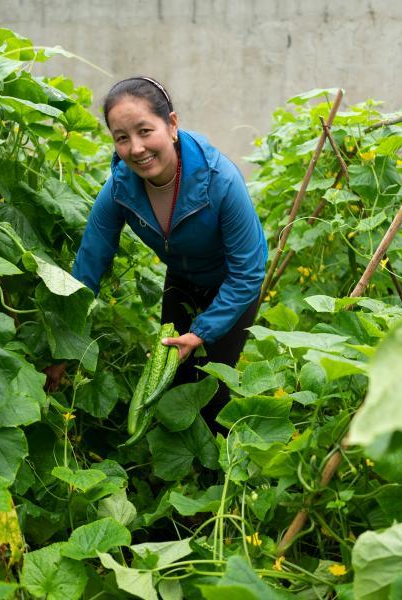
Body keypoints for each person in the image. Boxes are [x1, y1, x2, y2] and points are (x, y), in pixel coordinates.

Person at [72, 76, 267, 431]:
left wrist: (201, 332)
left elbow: (249, 271)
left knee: (214, 393)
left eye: (145, 131)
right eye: (122, 138)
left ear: (172, 125)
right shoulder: (120, 189)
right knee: (174, 382)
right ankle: (180, 469)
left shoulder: (220, 181)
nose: (136, 148)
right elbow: (89, 262)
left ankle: (223, 474)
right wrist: (66, 342)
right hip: (182, 279)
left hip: (233, 286)